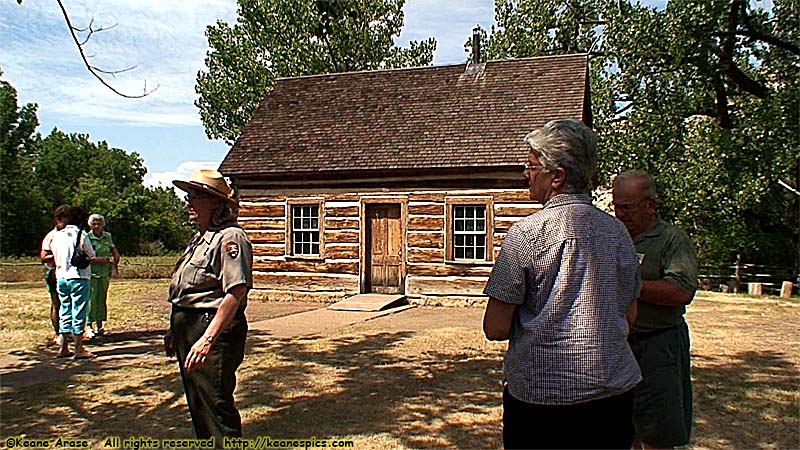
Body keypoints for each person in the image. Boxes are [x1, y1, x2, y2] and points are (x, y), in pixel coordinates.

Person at [482, 119, 642, 449]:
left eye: (531, 166)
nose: (525, 174)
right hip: (612, 393)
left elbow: (496, 327)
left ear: (557, 176)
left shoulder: (527, 234)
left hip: (543, 400)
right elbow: (629, 316)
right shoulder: (618, 233)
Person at [164, 169, 253, 444]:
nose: (189, 201)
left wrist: (207, 340)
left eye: (197, 196)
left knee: (215, 403)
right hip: (189, 327)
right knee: (198, 404)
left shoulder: (230, 238)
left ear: (216, 203)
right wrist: (174, 329)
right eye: (189, 195)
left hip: (211, 327)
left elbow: (235, 292)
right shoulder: (200, 238)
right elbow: (185, 290)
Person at [612, 170, 698, 449]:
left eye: (628, 207)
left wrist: (632, 285)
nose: (621, 214)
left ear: (650, 204)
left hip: (658, 345)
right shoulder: (612, 237)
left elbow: (682, 291)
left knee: (658, 432)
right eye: (616, 206)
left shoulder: (671, 240)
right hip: (617, 346)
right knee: (621, 427)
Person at [50, 206, 99, 359]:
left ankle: (64, 347)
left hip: (61, 276)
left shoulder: (56, 236)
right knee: (79, 310)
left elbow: (52, 256)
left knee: (65, 310)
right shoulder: (81, 234)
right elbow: (91, 254)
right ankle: (78, 347)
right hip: (79, 276)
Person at [85, 213, 120, 339]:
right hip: (91, 273)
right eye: (94, 224)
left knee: (102, 298)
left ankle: (100, 325)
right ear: (90, 225)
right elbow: (86, 257)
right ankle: (89, 326)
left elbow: (114, 251)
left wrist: (115, 264)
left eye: (99, 223)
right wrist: (100, 260)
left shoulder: (107, 236)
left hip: (104, 273)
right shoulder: (87, 237)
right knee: (91, 299)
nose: (97, 226)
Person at [40, 205, 68, 347]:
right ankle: (58, 334)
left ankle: (69, 333)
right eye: (65, 219)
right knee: (57, 304)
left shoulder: (71, 234)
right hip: (54, 273)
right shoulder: (51, 236)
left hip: (70, 273)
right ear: (58, 219)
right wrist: (59, 256)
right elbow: (43, 257)